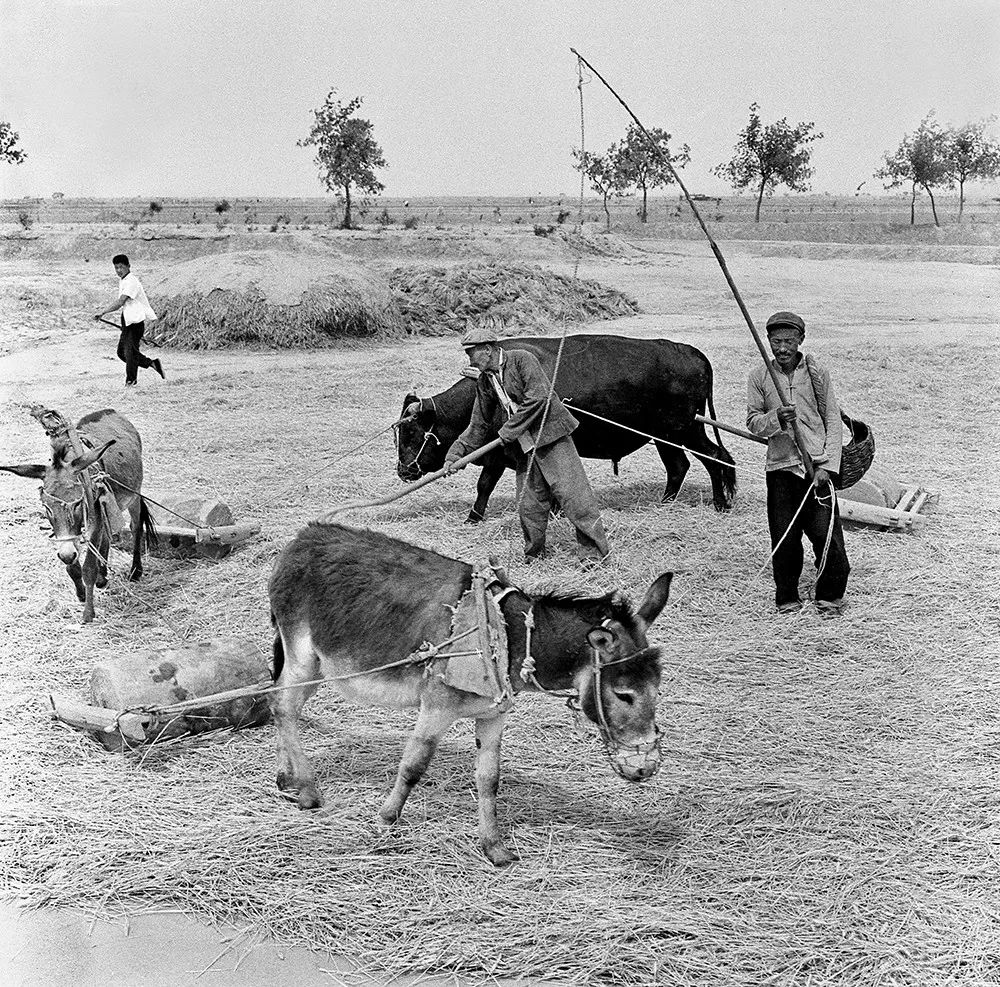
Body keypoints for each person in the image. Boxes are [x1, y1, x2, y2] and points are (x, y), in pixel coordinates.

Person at [420, 327, 610, 564]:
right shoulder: (485, 381)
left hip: (551, 438)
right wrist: (454, 455)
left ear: (487, 350)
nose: (469, 359)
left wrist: (507, 432)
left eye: (471, 353)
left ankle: (594, 554)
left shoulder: (522, 359)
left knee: (574, 498)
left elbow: (538, 398)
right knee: (529, 505)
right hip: (524, 447)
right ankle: (534, 555)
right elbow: (478, 426)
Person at [747, 311, 850, 616]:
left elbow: (833, 419)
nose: (782, 348)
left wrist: (826, 467)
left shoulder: (816, 373)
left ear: (800, 340)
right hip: (780, 469)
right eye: (776, 342)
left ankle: (830, 596)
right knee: (784, 538)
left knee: (826, 536)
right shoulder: (759, 376)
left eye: (788, 341)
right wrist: (775, 419)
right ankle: (787, 598)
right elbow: (753, 422)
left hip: (816, 469)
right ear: (768, 341)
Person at [95, 254, 164, 386]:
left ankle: (130, 381)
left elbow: (121, 301)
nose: (119, 270)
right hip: (127, 320)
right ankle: (152, 363)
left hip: (135, 322)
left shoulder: (132, 281)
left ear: (128, 266)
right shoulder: (124, 280)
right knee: (122, 353)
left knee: (130, 353)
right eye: (116, 268)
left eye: (121, 267)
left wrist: (103, 312)